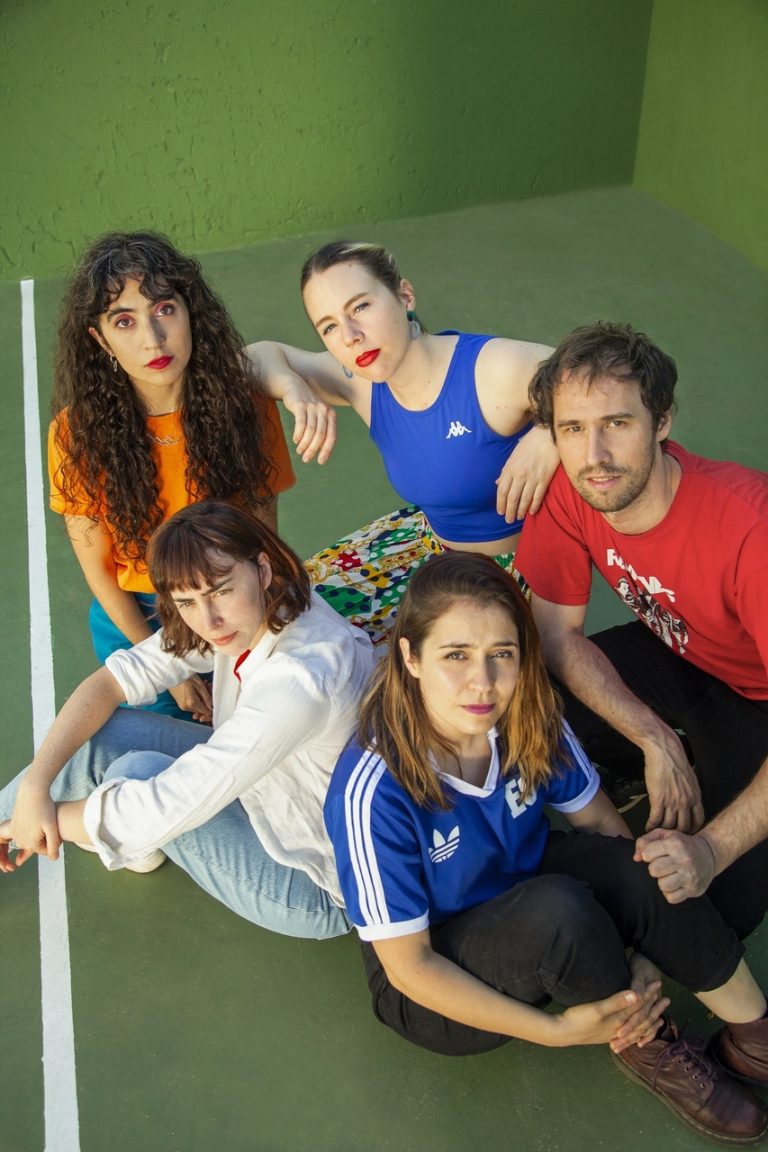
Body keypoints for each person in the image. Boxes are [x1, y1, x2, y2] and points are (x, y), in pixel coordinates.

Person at [324, 553, 768, 1145]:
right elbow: (410, 969)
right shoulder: (372, 788)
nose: (483, 682)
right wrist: (555, 1031)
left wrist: (643, 942)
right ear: (410, 657)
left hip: (522, 881)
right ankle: (646, 1043)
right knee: (559, 913)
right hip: (435, 971)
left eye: (501, 654)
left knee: (647, 858)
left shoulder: (526, 716)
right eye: (455, 655)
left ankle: (755, 1037)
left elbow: (602, 824)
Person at [0, 501, 374, 939]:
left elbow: (168, 803)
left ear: (262, 569)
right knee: (102, 737)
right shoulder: (261, 605)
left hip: (318, 878)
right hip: (264, 788)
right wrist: (33, 789)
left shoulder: (301, 681)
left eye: (220, 591)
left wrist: (31, 826)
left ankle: (123, 842)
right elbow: (111, 682)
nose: (208, 621)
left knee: (135, 773)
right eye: (186, 602)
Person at [514, 321, 768, 940]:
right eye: (573, 429)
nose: (594, 456)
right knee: (527, 705)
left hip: (759, 698)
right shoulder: (573, 487)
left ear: (662, 421)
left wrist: (710, 848)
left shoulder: (749, 531)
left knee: (718, 904)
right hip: (683, 652)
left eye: (617, 423)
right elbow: (555, 633)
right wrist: (652, 737)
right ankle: (650, 758)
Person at [248, 240, 557, 645]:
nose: (351, 336)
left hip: (507, 571)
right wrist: (293, 388)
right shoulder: (360, 383)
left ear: (405, 296)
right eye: (329, 327)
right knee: (284, 612)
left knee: (389, 668)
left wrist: (550, 433)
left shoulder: (489, 369)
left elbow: (602, 373)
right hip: (423, 541)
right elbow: (253, 356)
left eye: (360, 306)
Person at [50, 230, 295, 719]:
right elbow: (99, 571)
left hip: (233, 596)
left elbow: (260, 536)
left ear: (191, 312)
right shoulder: (75, 434)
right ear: (100, 339)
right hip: (140, 619)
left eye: (164, 309)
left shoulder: (243, 406)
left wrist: (252, 631)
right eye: (124, 321)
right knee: (173, 747)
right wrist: (175, 671)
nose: (153, 339)